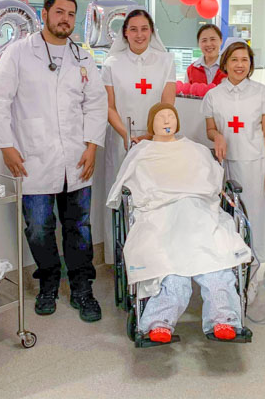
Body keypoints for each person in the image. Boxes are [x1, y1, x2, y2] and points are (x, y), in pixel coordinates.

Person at [0, 0, 107, 322]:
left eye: (71, 13)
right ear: (45, 13)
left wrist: (93, 144)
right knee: (38, 227)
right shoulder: (19, 53)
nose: (65, 18)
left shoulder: (82, 58)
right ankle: (48, 283)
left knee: (79, 227)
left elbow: (96, 103)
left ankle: (83, 288)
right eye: (60, 12)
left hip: (78, 157)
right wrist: (6, 147)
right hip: (33, 156)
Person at [106, 103, 251, 344]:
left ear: (178, 122)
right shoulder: (142, 151)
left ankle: (223, 318)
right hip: (160, 211)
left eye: (170, 116)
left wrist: (200, 194)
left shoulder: (194, 149)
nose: (166, 119)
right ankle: (158, 323)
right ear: (151, 123)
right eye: (160, 116)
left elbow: (212, 181)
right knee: (169, 265)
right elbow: (129, 184)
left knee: (214, 258)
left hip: (198, 209)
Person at [202, 40, 265, 302]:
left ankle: (253, 275)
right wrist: (217, 137)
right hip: (227, 166)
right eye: (234, 59)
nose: (239, 65)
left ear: (250, 64)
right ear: (225, 63)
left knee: (254, 219)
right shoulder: (213, 95)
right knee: (229, 222)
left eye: (244, 60)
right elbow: (210, 129)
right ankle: (231, 273)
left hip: (256, 165)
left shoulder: (261, 92)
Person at [102, 9, 176, 262]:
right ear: (125, 33)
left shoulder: (166, 61)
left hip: (157, 141)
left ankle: (153, 257)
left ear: (152, 31)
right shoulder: (112, 64)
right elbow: (108, 106)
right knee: (122, 196)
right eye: (133, 29)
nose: (139, 34)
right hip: (121, 141)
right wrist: (126, 134)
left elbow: (168, 105)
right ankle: (121, 258)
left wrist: (151, 135)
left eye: (144, 29)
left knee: (153, 198)